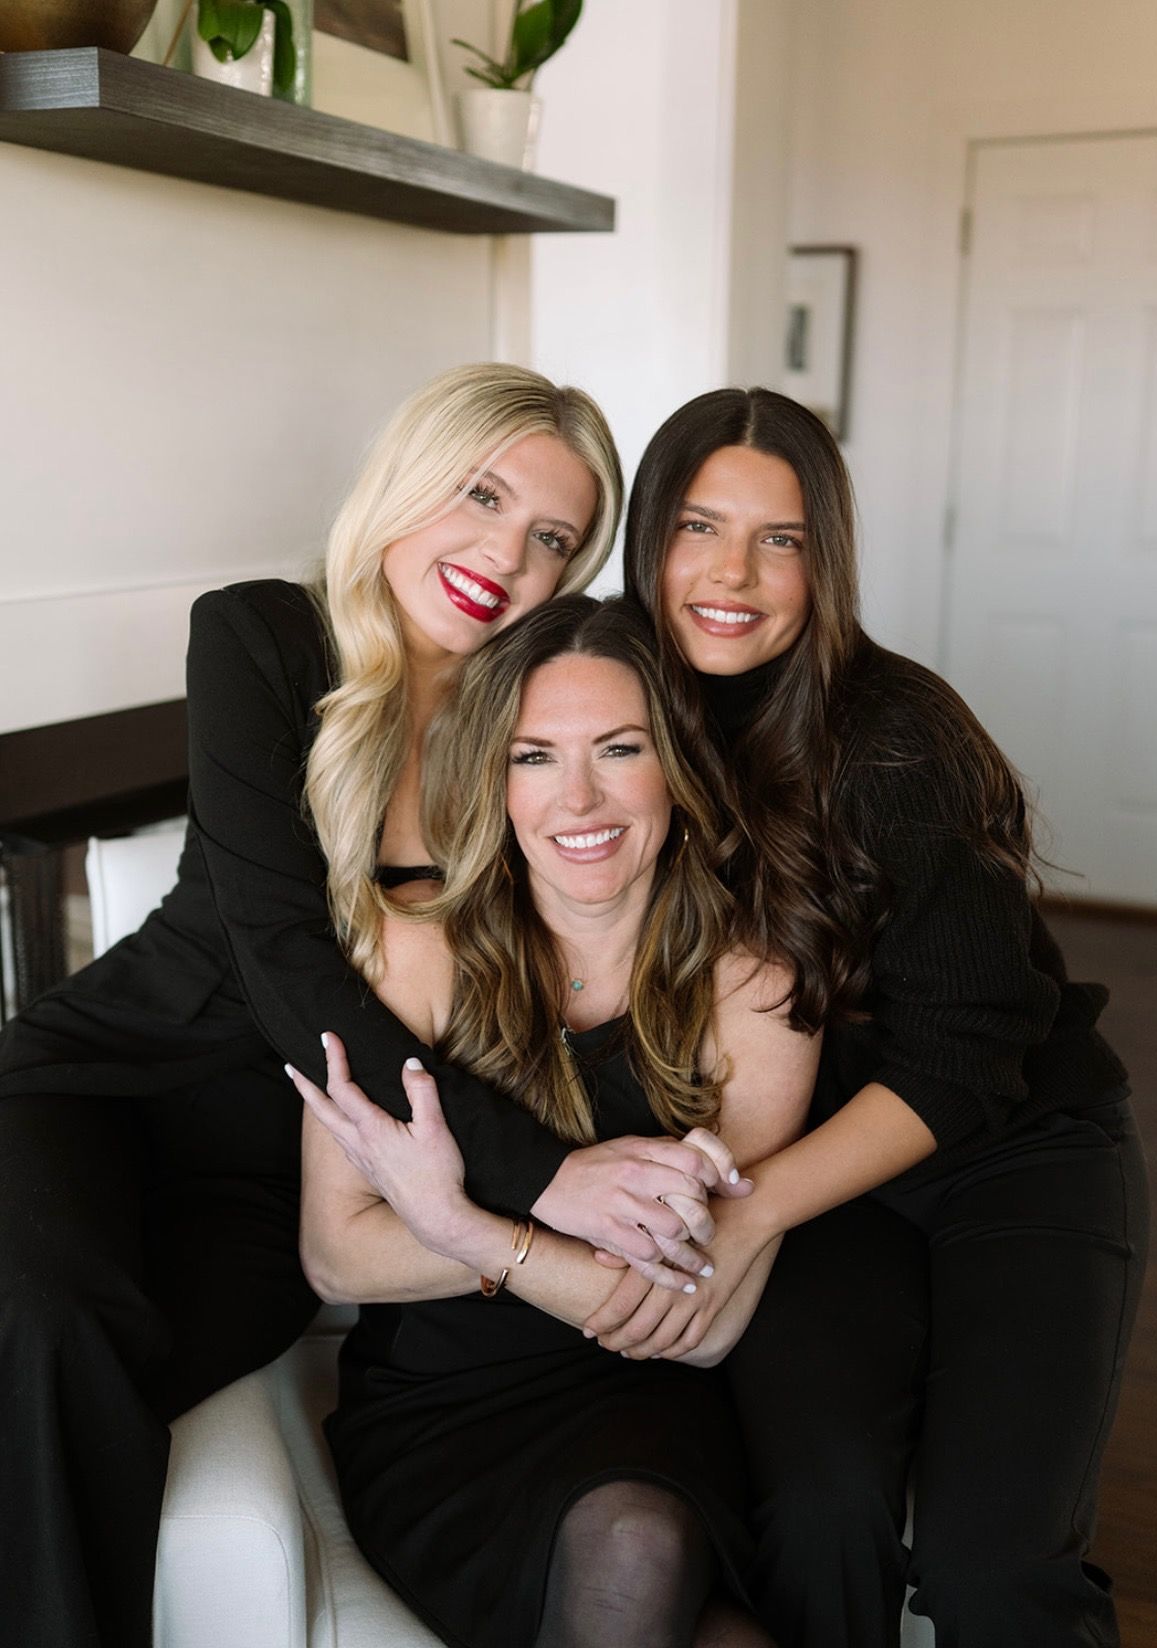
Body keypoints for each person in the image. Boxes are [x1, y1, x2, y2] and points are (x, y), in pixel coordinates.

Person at [0, 363, 722, 1648]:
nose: (503, 555)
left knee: (94, 1381)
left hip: (288, 1182)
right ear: (408, 478)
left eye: (550, 537)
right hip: (112, 1090)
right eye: (482, 494)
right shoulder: (265, 636)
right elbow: (287, 958)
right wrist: (545, 1181)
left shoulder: (525, 722)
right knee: (55, 1330)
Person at [571, 386, 1148, 1647]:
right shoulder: (599, 692)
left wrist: (753, 1209)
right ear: (647, 536)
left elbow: (963, 1056)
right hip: (816, 1173)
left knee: (991, 1568)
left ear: (821, 560)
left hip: (1007, 1151)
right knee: (819, 1513)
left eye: (778, 540)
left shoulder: (892, 738)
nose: (733, 575)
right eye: (698, 528)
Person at [289, 594, 820, 1648]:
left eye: (618, 748)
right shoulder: (412, 954)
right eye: (533, 756)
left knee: (642, 1543)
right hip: (443, 1408)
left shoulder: (753, 979)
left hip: (646, 1398)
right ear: (491, 776)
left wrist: (467, 1229)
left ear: (675, 765)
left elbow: (703, 1323)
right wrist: (581, 1252)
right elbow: (336, 1253)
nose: (576, 796)